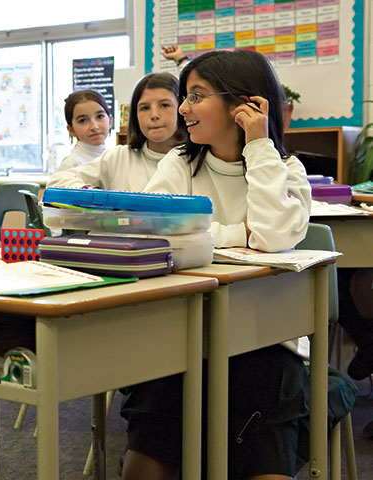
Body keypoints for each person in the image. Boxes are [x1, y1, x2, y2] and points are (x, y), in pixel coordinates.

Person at [124, 49, 354, 480]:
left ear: (244, 106)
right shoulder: (179, 164)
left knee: (260, 442)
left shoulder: (285, 170)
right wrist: (236, 232)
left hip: (265, 342)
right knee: (146, 460)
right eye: (185, 97)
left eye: (196, 96)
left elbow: (270, 237)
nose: (184, 109)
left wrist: (259, 145)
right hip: (187, 335)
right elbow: (152, 233)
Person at [48, 72, 185, 191]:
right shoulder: (118, 158)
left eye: (165, 105)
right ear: (135, 116)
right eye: (144, 108)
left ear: (182, 109)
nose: (154, 115)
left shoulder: (196, 159)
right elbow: (56, 182)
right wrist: (91, 194)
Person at [54, 88, 114, 173]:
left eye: (100, 116)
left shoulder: (114, 157)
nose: (94, 126)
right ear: (71, 130)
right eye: (83, 120)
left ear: (110, 121)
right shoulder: (71, 165)